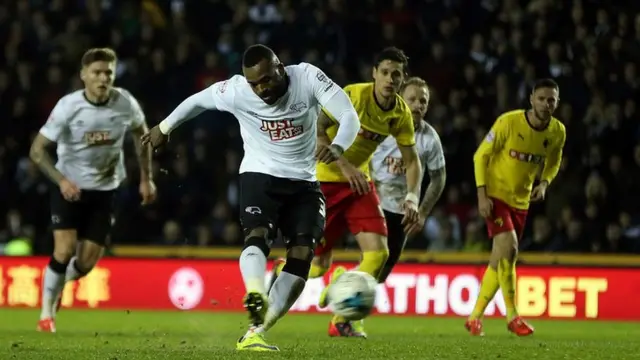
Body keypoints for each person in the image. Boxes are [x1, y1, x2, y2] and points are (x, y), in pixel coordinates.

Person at [141, 44, 360, 351]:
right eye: (254, 83)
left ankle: (256, 330)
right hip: (260, 173)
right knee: (257, 235)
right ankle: (255, 291)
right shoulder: (236, 89)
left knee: (301, 256)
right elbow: (198, 101)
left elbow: (349, 115)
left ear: (280, 68)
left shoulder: (308, 78)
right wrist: (163, 128)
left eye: (266, 80)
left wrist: (337, 147)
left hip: (304, 182)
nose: (260, 89)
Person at [269, 47, 422, 338]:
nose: (390, 79)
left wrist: (413, 196)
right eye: (385, 72)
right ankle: (279, 272)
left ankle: (341, 320)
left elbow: (412, 160)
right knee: (316, 267)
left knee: (379, 254)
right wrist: (346, 165)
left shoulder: (400, 113)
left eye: (397, 75)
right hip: (323, 182)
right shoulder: (352, 96)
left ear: (403, 80)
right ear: (374, 73)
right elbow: (318, 128)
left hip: (358, 187)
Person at [31, 48, 156, 333]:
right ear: (83, 75)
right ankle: (46, 314)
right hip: (69, 188)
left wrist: (146, 178)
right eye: (97, 73)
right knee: (63, 250)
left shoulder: (125, 103)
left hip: (105, 189)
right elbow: (37, 151)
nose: (103, 78)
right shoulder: (68, 106)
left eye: (108, 73)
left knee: (86, 263)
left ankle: (58, 285)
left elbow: (142, 137)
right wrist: (61, 180)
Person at [466, 78, 566, 336]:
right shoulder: (508, 122)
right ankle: (512, 316)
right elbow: (480, 155)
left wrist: (544, 182)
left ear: (557, 103)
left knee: (500, 258)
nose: (546, 104)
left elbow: (554, 161)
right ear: (531, 98)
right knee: (510, 249)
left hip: (521, 202)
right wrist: (481, 194)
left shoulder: (557, 131)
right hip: (496, 195)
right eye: (542, 98)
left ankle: (475, 317)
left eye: (551, 100)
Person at [371, 76, 446, 282]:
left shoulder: (430, 138)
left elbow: (439, 178)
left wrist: (422, 212)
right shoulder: (381, 127)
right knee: (373, 258)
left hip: (402, 212)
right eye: (412, 99)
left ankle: (349, 303)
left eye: (423, 101)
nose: (417, 105)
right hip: (372, 202)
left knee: (381, 275)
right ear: (400, 99)